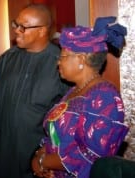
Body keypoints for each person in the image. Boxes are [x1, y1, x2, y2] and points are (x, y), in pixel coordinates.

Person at [31, 16, 129, 178]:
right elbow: (55, 136)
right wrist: (39, 156)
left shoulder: (105, 97)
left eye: (62, 57)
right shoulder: (74, 91)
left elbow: (91, 155)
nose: (58, 63)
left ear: (81, 59)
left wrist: (44, 162)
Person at [0, 3, 69, 178]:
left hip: (38, 157)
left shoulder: (61, 63)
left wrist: (51, 158)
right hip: (4, 154)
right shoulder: (7, 59)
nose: (16, 30)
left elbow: (65, 119)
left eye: (24, 27)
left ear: (42, 31)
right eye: (16, 24)